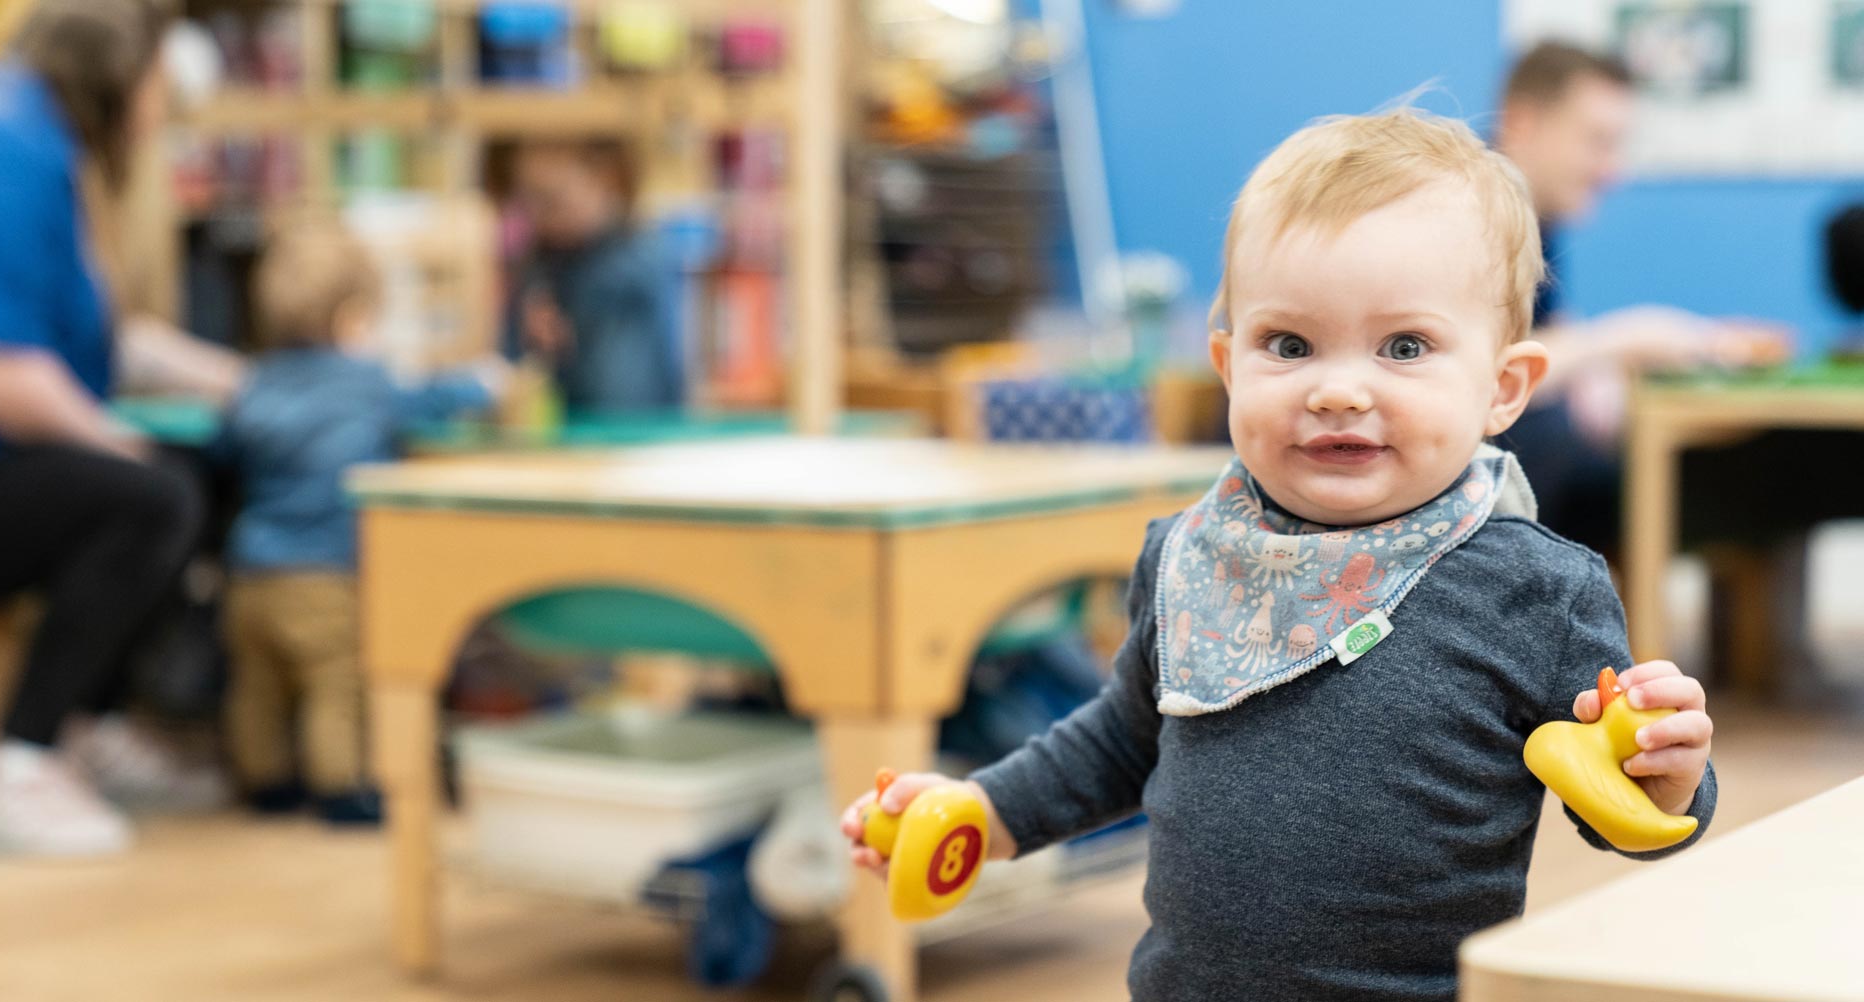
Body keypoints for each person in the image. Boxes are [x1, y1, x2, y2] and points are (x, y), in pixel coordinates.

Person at [840, 109, 1719, 1001]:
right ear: (1228, 364)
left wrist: (1671, 775)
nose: (1338, 390)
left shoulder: (1536, 590)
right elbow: (1123, 739)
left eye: (1404, 347)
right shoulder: (1188, 553)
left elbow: (1618, 805)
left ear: (1502, 390)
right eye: (1288, 346)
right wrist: (988, 812)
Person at [0, 0, 231, 858]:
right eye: (159, 83)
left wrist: (255, 381)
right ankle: (18, 759)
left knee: (191, 472)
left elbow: (106, 340)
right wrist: (116, 441)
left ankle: (88, 723)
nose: (164, 106)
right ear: (120, 75)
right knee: (148, 497)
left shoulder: (28, 144)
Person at [216, 219, 503, 825]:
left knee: (257, 687)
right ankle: (340, 785)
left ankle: (263, 780)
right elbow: (432, 399)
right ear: (353, 318)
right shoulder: (367, 385)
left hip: (250, 572)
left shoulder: (255, 382)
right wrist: (484, 381)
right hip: (326, 571)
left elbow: (226, 447)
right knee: (337, 683)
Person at [1494, 41, 1788, 550]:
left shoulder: (1537, 223)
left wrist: (1700, 343)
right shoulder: (1470, 221)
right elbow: (1478, 376)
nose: (1613, 171)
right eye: (1597, 141)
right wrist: (1630, 337)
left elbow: (1549, 342)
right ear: (1523, 122)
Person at [498, 136, 684, 415]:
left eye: (552, 200)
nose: (538, 217)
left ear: (604, 180)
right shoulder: (540, 265)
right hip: (567, 434)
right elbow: (513, 370)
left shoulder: (641, 258)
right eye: (527, 202)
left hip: (631, 434)